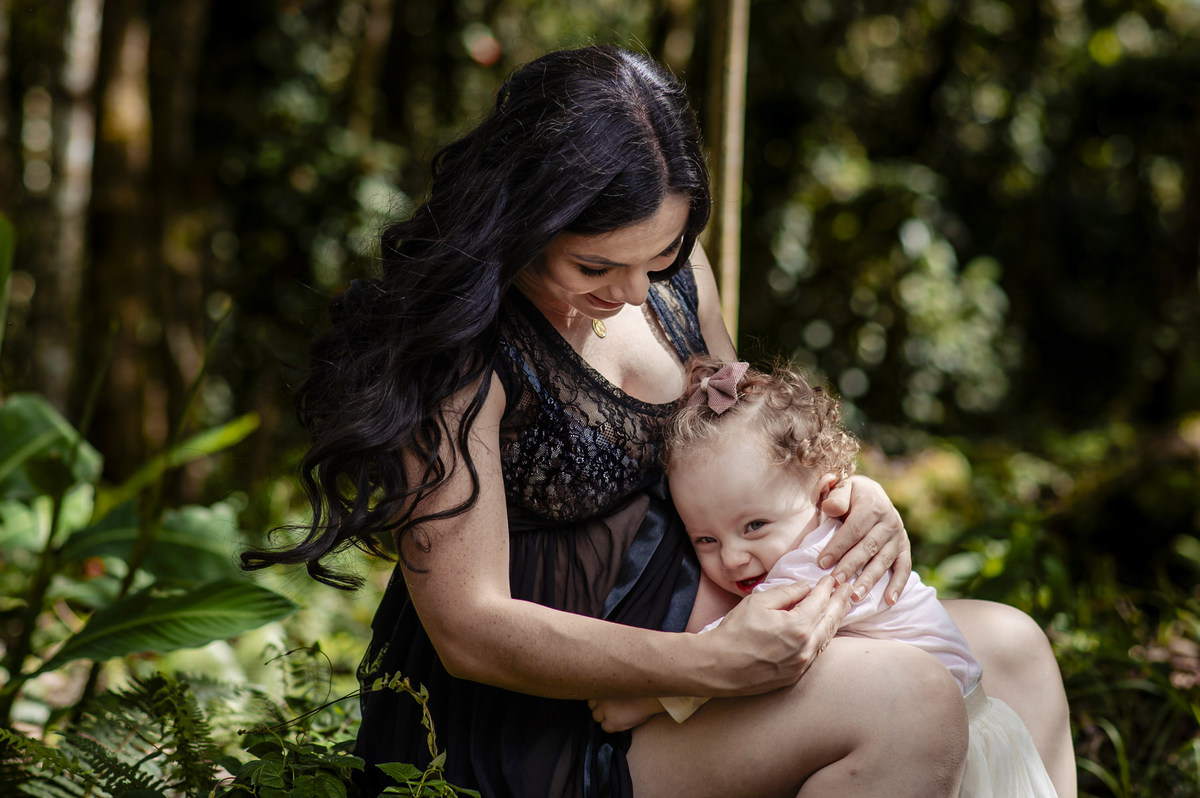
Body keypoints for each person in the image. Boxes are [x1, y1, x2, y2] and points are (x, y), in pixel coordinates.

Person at [242, 44, 1074, 797]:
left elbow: (743, 443)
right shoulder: (461, 349)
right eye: (594, 264)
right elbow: (471, 629)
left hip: (710, 646)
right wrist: (707, 665)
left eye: (660, 257)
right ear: (523, 220)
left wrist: (850, 499)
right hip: (546, 724)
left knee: (1012, 647)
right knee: (907, 704)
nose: (635, 292)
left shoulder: (671, 273)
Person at [589, 358, 1062, 797]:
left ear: (828, 492)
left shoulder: (820, 562)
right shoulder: (816, 529)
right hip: (974, 719)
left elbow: (736, 645)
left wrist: (647, 698)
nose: (732, 558)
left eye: (754, 526)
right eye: (704, 540)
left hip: (958, 740)